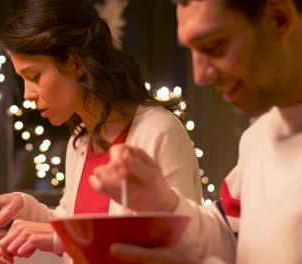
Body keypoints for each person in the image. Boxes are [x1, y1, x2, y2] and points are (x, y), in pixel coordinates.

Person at [0, 0, 202, 263]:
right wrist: (27, 207)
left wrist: (63, 238)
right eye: (23, 80)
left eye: (34, 76)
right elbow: (74, 226)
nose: (27, 95)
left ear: (75, 63)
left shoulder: (158, 130)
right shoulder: (80, 141)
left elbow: (179, 247)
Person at [91, 0, 302, 263]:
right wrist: (163, 202)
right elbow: (230, 234)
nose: (200, 76)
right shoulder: (258, 138)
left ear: (279, 19)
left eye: (214, 46)